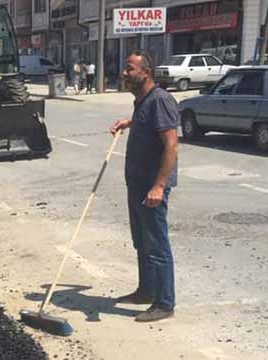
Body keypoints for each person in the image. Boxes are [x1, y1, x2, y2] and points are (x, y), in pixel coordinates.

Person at [110, 50, 179, 322]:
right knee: (142, 242)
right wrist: (128, 122)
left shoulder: (160, 100)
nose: (124, 73)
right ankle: (146, 291)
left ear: (146, 73)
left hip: (151, 188)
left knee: (157, 244)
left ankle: (164, 302)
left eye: (130, 69)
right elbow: (147, 124)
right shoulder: (142, 100)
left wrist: (159, 186)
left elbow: (171, 145)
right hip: (136, 185)